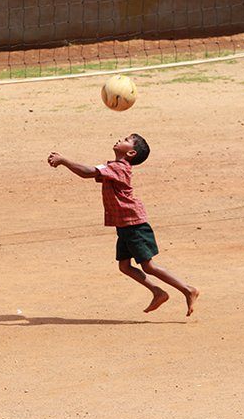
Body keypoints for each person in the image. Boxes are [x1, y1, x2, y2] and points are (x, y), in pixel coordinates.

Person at [48, 133, 199, 316]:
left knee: (149, 266)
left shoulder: (120, 168)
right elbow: (90, 172)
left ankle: (187, 289)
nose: (120, 139)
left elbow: (87, 172)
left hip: (134, 224)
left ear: (131, 153)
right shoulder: (113, 167)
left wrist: (64, 160)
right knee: (125, 266)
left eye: (126, 140)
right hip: (124, 224)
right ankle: (158, 292)